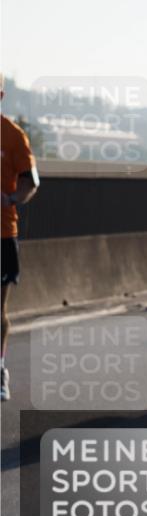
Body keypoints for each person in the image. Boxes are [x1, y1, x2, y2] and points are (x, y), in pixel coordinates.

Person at [1, 79, 40, 401]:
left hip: (2, 232)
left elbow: (30, 181)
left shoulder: (13, 136)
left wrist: (12, 198)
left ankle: (0, 368)